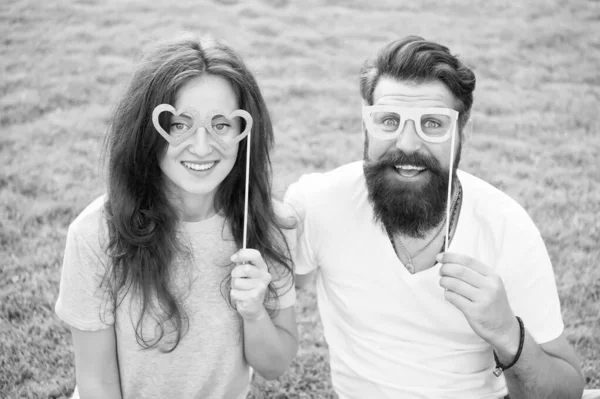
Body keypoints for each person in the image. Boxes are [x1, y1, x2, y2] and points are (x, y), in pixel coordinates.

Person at [285, 36, 586, 398]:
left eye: (432, 124)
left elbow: (567, 389)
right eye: (389, 120)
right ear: (367, 126)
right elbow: (284, 278)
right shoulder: (319, 203)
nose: (408, 144)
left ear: (462, 134)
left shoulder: (507, 227)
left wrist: (507, 332)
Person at [55, 33, 297, 399]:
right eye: (179, 124)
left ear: (245, 133)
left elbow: (274, 366)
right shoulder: (95, 234)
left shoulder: (267, 225)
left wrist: (254, 313)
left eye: (221, 125)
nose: (201, 147)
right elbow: (98, 384)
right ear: (145, 132)